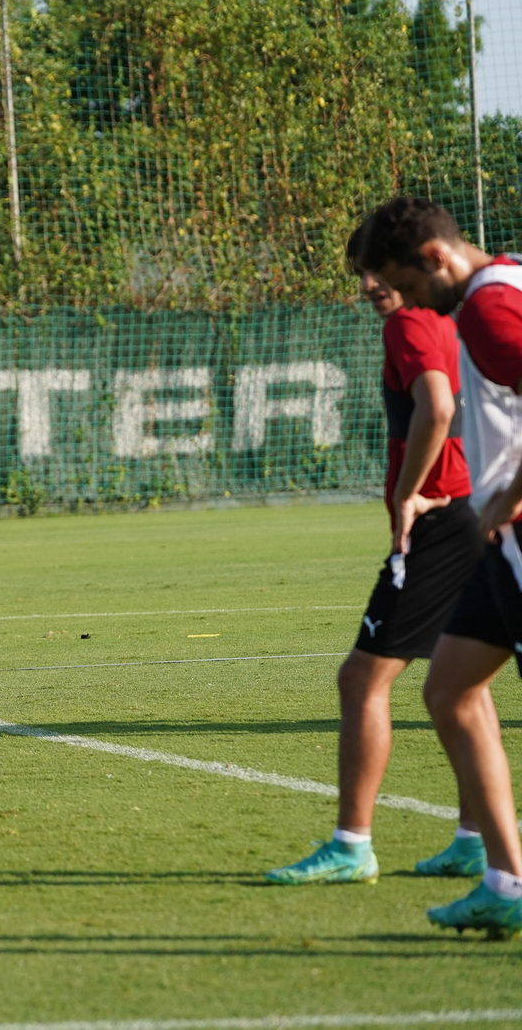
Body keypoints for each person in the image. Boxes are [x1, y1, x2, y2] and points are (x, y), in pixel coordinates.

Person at [266, 222, 484, 885]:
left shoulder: (411, 324)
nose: (368, 285)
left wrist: (410, 493)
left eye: (378, 271)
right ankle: (476, 838)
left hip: (442, 521)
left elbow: (437, 408)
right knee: (465, 684)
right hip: (473, 514)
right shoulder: (451, 317)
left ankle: (351, 844)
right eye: (360, 274)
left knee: (361, 680)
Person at [361, 195, 522, 937]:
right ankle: (505, 881)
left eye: (408, 284)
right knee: (451, 690)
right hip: (498, 543)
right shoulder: (512, 277)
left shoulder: (488, 312)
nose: (412, 303)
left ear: (433, 259)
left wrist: (512, 494)